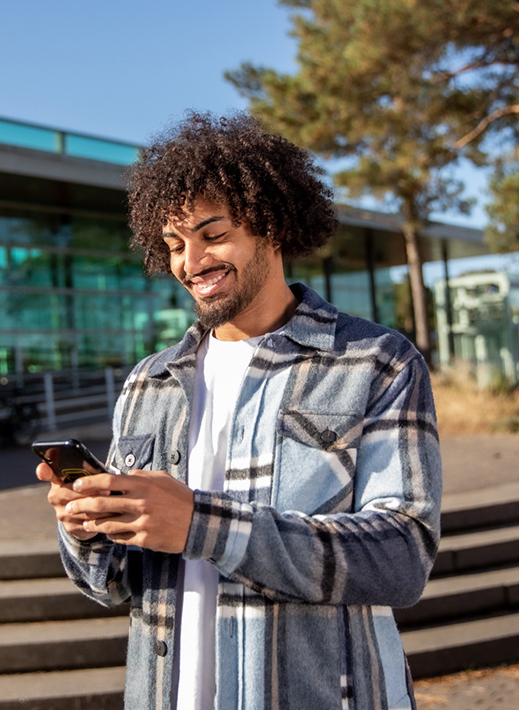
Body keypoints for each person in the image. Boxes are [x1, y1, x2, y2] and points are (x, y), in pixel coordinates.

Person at [36, 112, 441, 710]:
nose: (190, 260)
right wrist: (89, 528)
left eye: (212, 233)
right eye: (174, 244)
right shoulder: (149, 382)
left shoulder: (376, 362)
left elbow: (402, 556)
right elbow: (114, 585)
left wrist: (200, 523)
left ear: (271, 225)